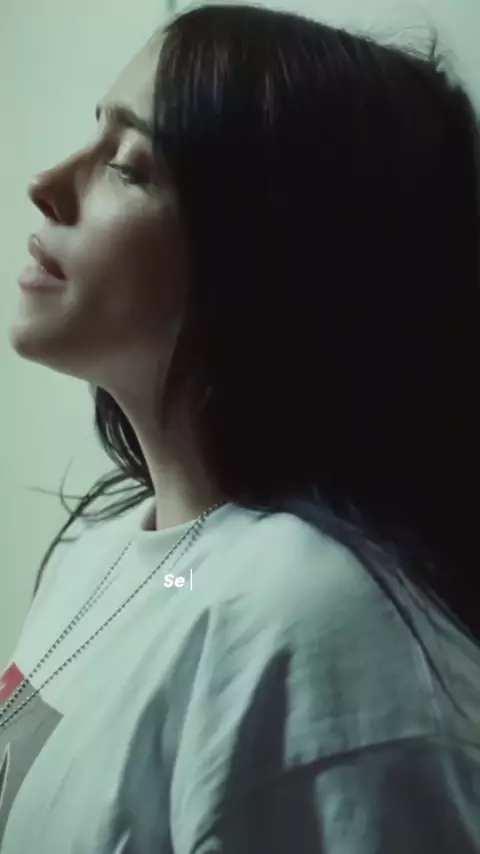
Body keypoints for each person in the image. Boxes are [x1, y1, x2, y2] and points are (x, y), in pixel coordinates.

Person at [2, 4, 479, 852]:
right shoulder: (101, 551)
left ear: (269, 254)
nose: (47, 183)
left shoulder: (320, 631)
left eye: (128, 165)